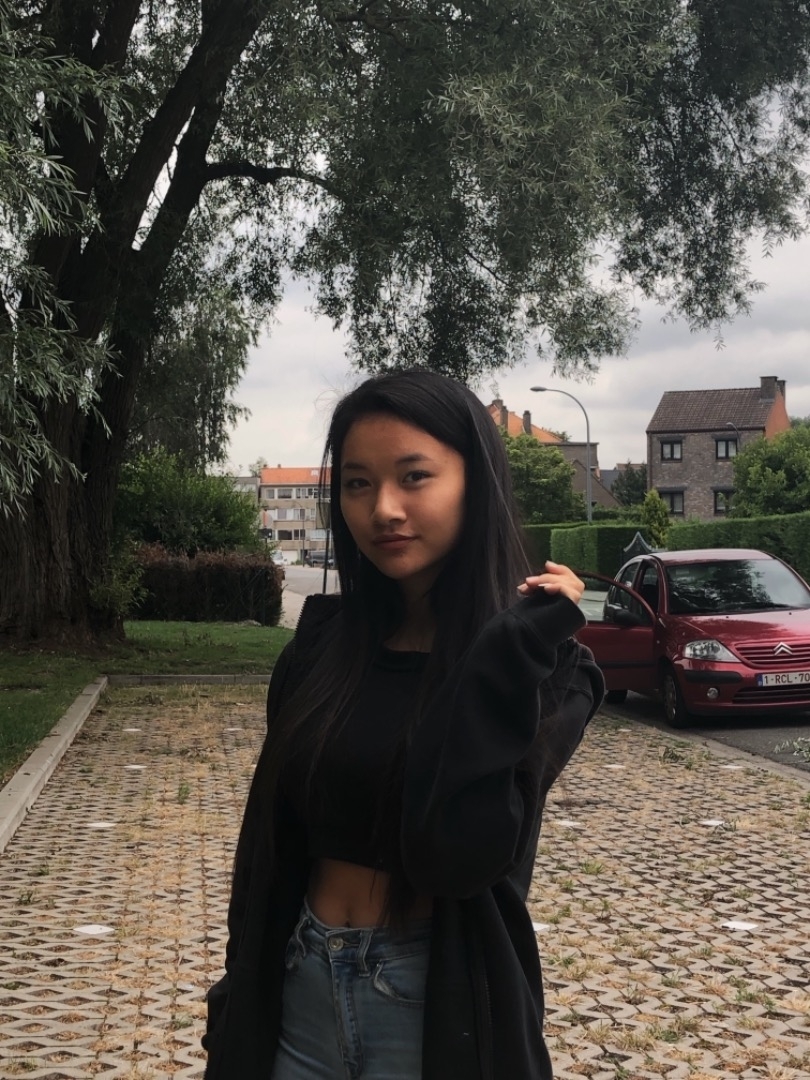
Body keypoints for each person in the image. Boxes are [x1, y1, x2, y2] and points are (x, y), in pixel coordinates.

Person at [203, 370, 604, 1080]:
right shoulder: (323, 646)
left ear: (475, 482)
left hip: (433, 1006)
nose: (383, 508)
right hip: (300, 988)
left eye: (414, 477)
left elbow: (460, 855)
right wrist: (238, 995)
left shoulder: (548, 675)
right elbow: (266, 842)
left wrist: (507, 652)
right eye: (357, 484)